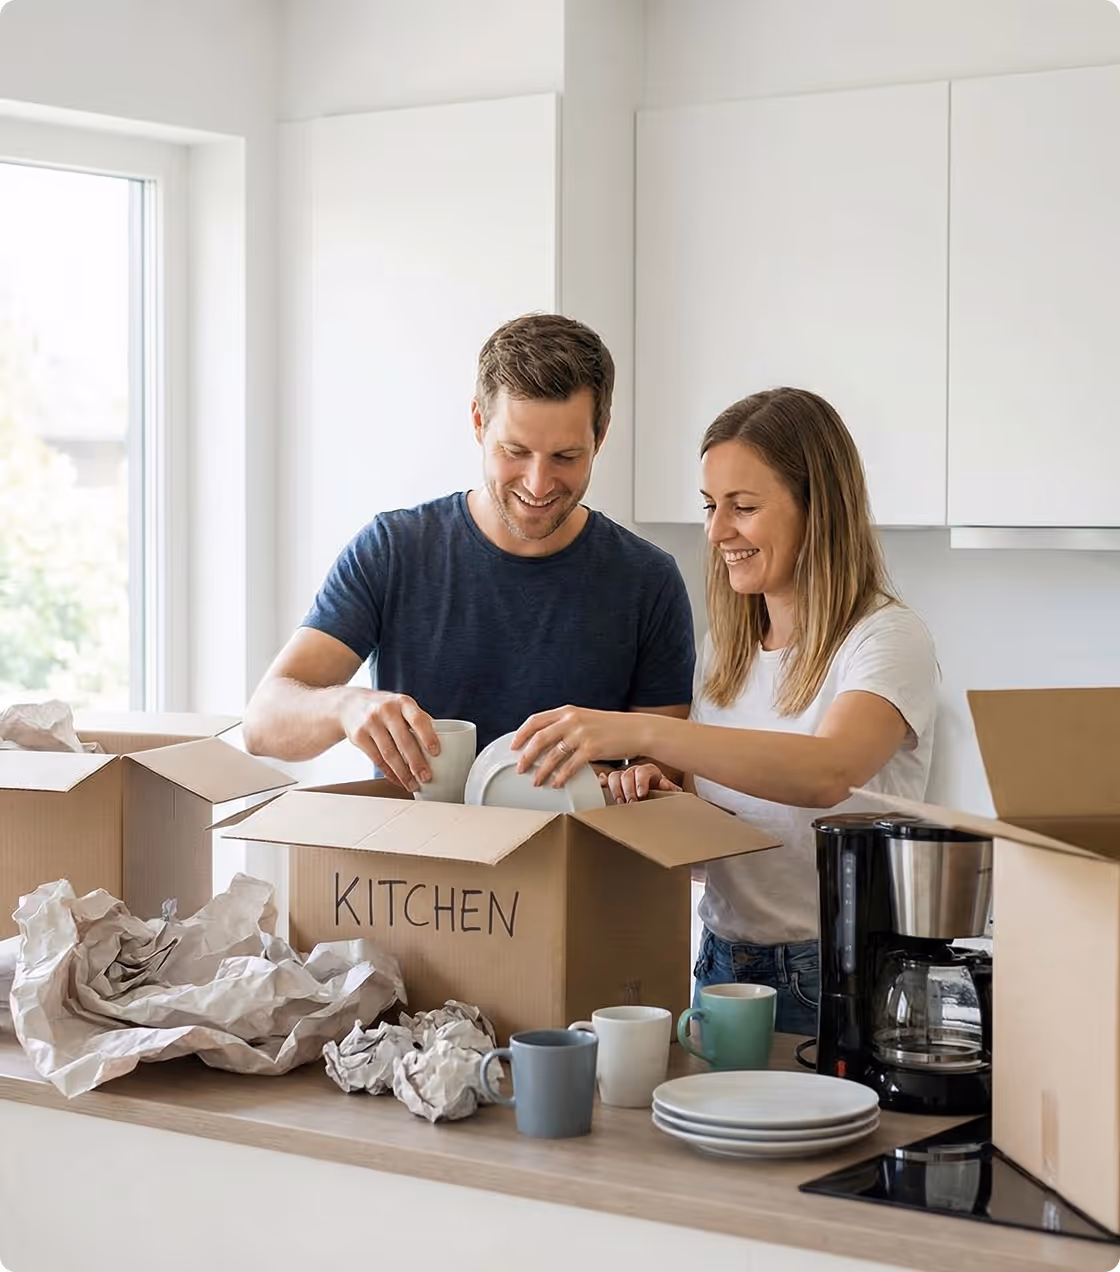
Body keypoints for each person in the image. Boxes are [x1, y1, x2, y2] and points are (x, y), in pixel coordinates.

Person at [511, 387, 939, 1035]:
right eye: (711, 507)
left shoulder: (885, 639)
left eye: (742, 508)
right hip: (722, 962)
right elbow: (735, 841)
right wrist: (660, 797)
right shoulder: (728, 651)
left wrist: (644, 731)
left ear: (818, 509)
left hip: (836, 972)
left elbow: (828, 772)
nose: (716, 533)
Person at [242, 314, 695, 787]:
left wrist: (630, 784)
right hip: (416, 857)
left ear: (599, 438)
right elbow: (263, 725)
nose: (538, 484)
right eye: (515, 450)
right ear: (479, 422)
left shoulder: (648, 581)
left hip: (572, 858)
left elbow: (662, 775)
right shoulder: (394, 551)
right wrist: (346, 706)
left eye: (565, 457)